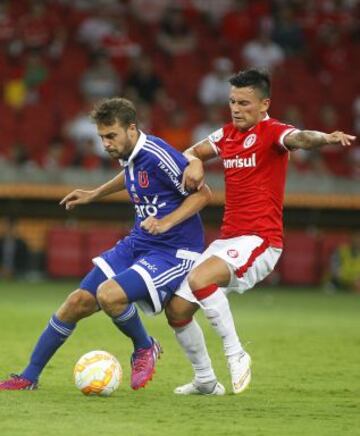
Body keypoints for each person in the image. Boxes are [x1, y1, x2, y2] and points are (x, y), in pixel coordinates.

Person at [0, 97, 214, 392]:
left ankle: (144, 347)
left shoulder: (158, 155)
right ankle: (29, 376)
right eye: (101, 137)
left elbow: (204, 195)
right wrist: (94, 193)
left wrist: (166, 223)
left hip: (173, 251)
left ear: (131, 129)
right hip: (139, 241)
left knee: (109, 296)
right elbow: (131, 176)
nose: (106, 144)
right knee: (76, 302)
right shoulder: (131, 154)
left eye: (111, 135)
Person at [164, 68, 356, 395]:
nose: (236, 109)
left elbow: (300, 138)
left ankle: (236, 353)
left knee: (200, 280)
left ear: (264, 104)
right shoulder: (226, 135)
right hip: (228, 240)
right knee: (177, 310)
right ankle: (206, 381)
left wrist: (324, 138)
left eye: (244, 103)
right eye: (232, 102)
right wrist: (194, 161)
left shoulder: (272, 132)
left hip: (261, 241)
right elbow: (191, 152)